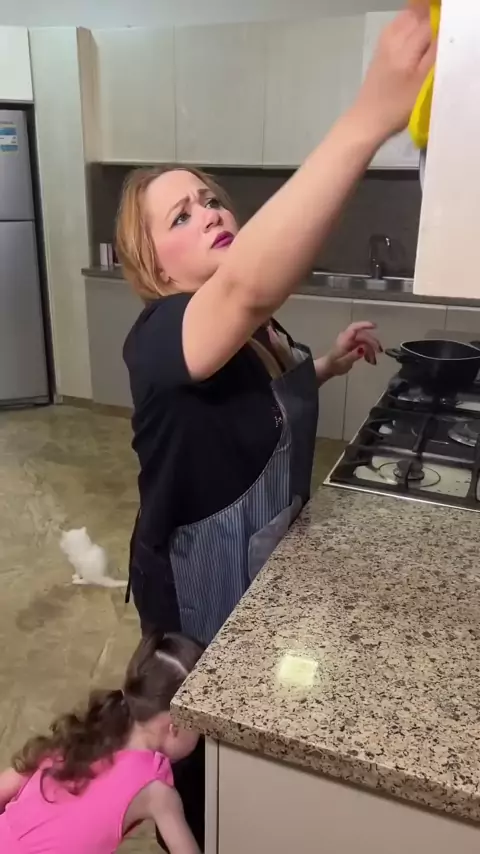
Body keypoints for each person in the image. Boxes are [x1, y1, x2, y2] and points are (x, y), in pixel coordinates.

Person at [116, 4, 435, 849]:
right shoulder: (158, 335)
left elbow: (257, 400)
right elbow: (244, 290)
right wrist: (370, 116)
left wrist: (322, 365)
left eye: (208, 199)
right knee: (194, 737)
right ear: (152, 265)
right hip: (191, 584)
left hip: (261, 561)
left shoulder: (256, 331)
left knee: (252, 720)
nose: (209, 213)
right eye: (179, 217)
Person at [0, 633, 203, 854]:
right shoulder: (158, 794)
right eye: (200, 726)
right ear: (174, 728)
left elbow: (5, 786)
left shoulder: (82, 736)